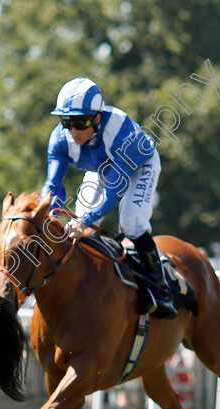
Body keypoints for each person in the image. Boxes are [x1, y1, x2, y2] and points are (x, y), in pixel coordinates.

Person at [42, 77, 177, 319]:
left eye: (80, 123)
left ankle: (161, 288)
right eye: (66, 123)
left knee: (131, 223)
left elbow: (113, 193)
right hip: (102, 167)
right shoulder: (60, 139)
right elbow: (53, 186)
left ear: (97, 118)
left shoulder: (121, 134)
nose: (73, 132)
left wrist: (84, 220)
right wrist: (48, 216)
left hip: (139, 165)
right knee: (84, 228)